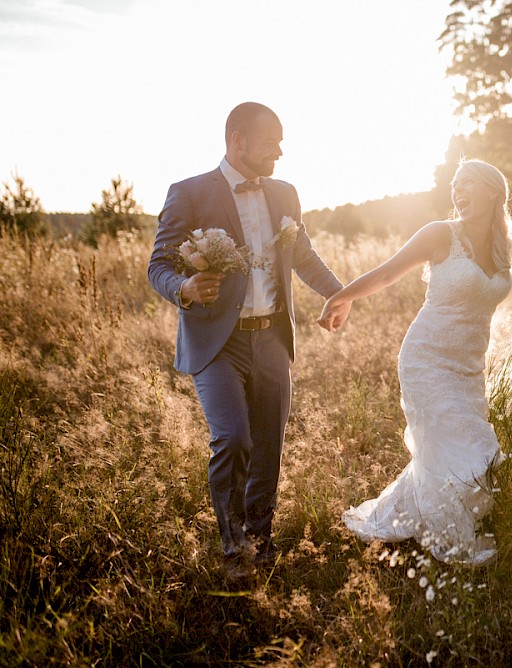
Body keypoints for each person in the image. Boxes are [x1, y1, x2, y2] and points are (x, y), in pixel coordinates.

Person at [317, 158, 512, 566]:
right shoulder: (440, 235)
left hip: (468, 371)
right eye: (455, 186)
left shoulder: (500, 249)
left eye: (468, 184)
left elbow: (500, 292)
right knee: (446, 448)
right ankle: (452, 543)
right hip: (426, 359)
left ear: (494, 192)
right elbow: (389, 273)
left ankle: (399, 518)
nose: (458, 193)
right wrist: (341, 297)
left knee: (463, 448)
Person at [148, 102, 344, 580]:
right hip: (218, 343)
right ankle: (233, 547)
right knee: (234, 439)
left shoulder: (285, 194)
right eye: (271, 140)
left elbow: (304, 256)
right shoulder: (189, 193)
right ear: (237, 141)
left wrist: (342, 293)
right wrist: (184, 289)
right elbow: (159, 266)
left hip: (272, 339)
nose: (280, 149)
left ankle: (261, 538)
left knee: (269, 447)